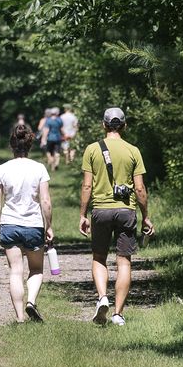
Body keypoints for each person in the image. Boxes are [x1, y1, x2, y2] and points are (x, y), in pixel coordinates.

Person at [78, 107, 154, 326]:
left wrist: (83, 214)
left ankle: (102, 297)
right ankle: (118, 314)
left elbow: (86, 186)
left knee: (99, 257)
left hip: (100, 210)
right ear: (124, 125)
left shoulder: (92, 149)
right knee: (124, 262)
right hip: (125, 211)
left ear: (103, 125)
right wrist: (146, 216)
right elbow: (140, 189)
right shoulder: (133, 151)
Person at [0, 122, 54, 323]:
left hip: (10, 224)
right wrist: (49, 226)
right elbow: (45, 201)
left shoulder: (2, 169)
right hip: (34, 224)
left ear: (12, 144)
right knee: (36, 269)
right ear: (30, 144)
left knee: (15, 270)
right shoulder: (39, 168)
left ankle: (19, 318)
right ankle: (31, 302)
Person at [40, 106, 64, 172]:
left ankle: (51, 161)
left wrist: (43, 139)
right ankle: (56, 163)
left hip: (50, 138)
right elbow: (62, 129)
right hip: (58, 138)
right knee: (57, 151)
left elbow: (46, 131)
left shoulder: (48, 120)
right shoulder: (59, 120)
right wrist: (64, 135)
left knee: (49, 151)